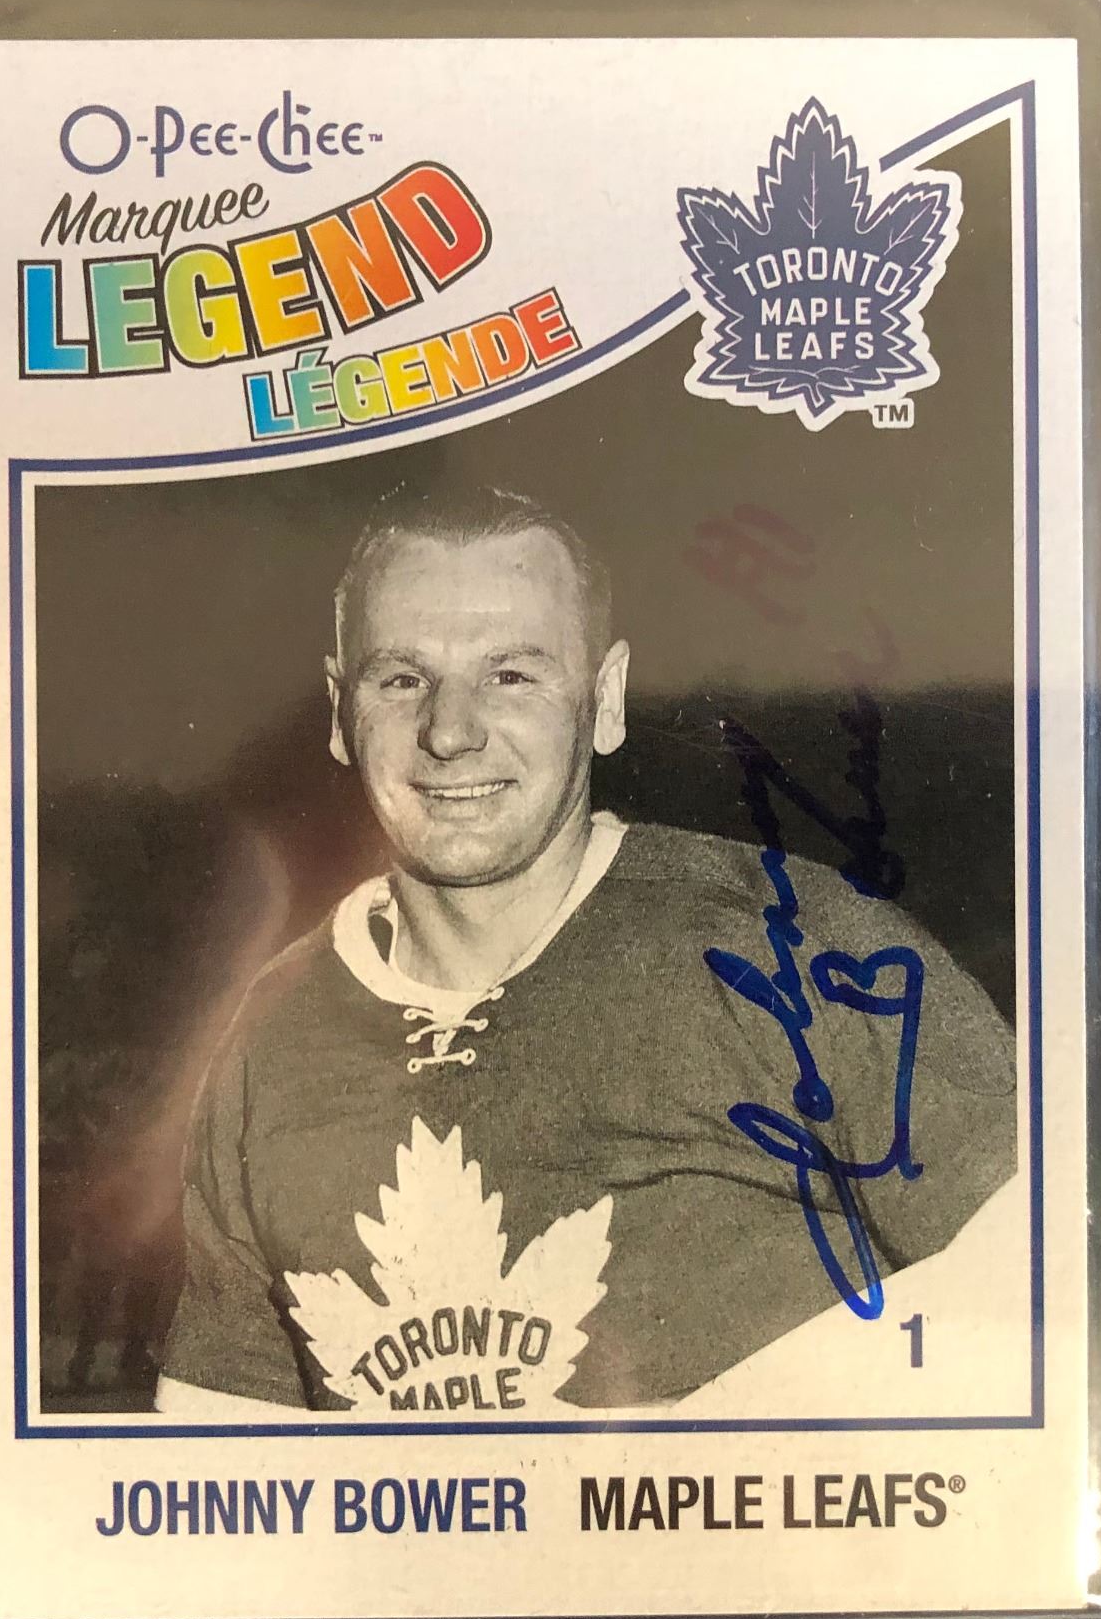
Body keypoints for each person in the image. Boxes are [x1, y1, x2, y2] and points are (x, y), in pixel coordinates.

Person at [156, 487, 1016, 1417]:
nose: (450, 732)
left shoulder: (806, 950)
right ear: (338, 711)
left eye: (510, 675)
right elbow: (219, 1456)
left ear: (604, 701)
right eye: (400, 679)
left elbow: (1051, 1308)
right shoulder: (267, 1039)